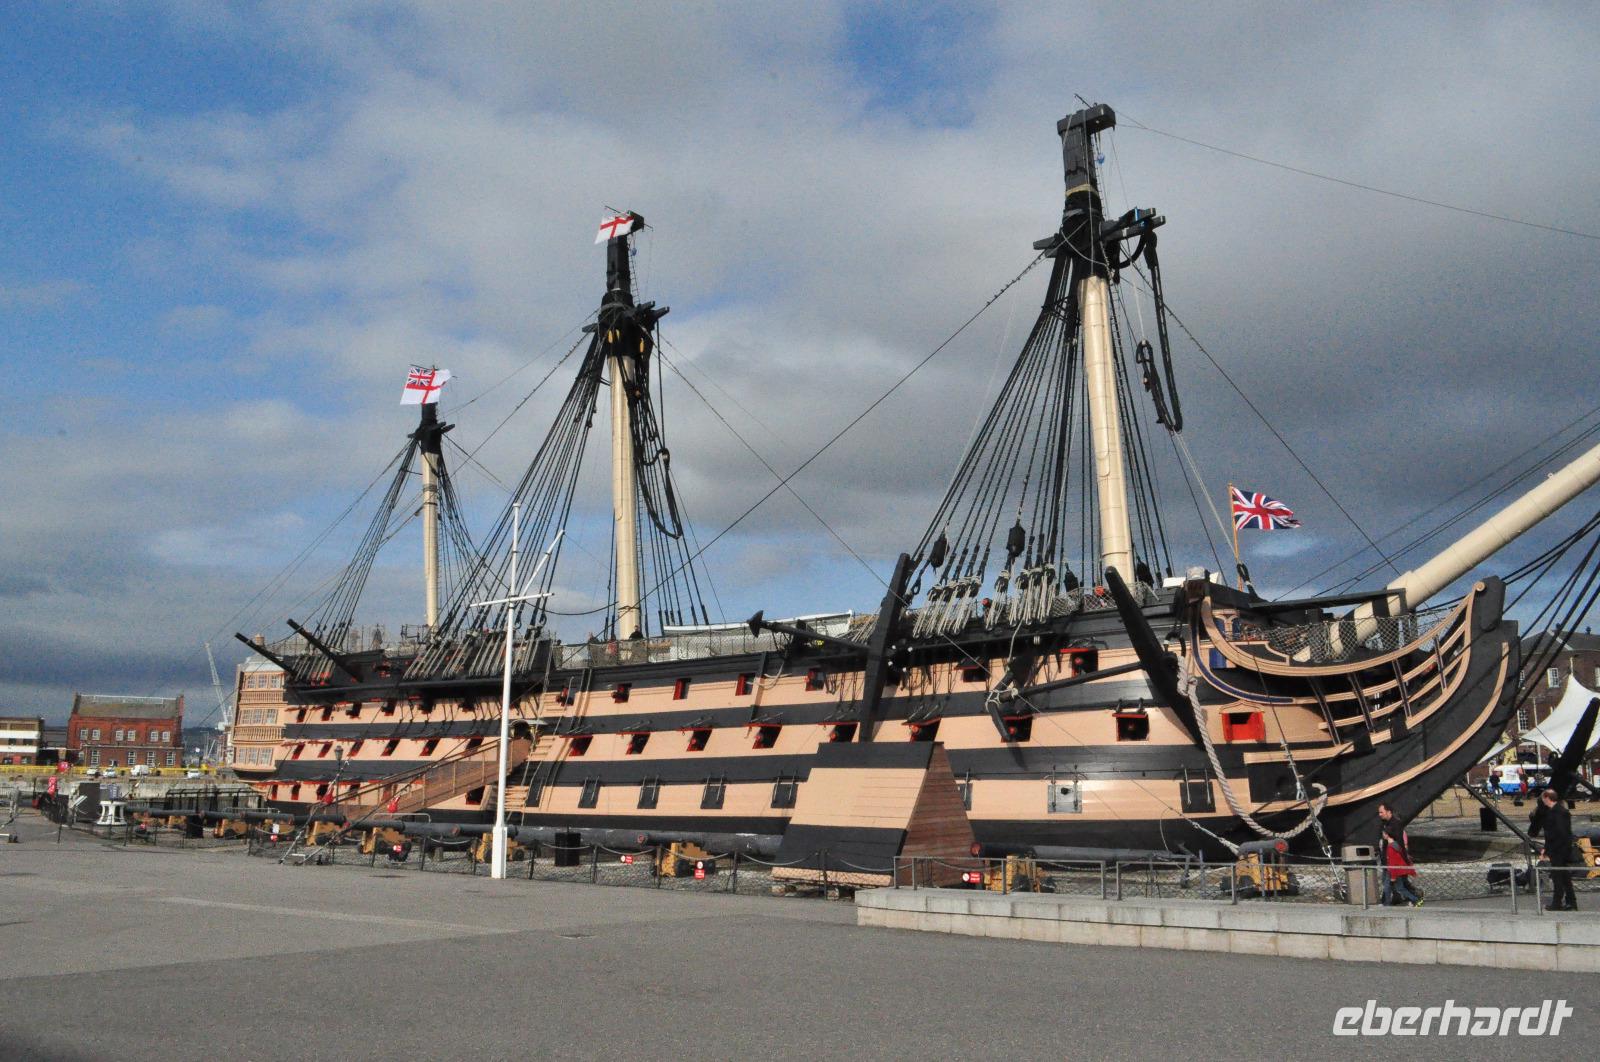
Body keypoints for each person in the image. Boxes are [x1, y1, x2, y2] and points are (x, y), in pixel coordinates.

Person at [1540, 786, 1578, 911]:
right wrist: (1546, 849)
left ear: (1547, 798)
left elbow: (1560, 833)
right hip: (1559, 849)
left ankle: (1557, 903)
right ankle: (1571, 902)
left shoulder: (1558, 812)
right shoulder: (1558, 811)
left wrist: (1551, 850)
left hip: (1559, 850)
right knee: (1564, 877)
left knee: (1558, 877)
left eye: (1543, 798)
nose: (1543, 801)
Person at [1382, 824, 1423, 906]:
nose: (1383, 835)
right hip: (1398, 870)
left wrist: (1393, 877)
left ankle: (1387, 904)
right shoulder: (1396, 845)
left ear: (1387, 835)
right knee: (1400, 888)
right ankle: (1415, 899)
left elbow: (1392, 863)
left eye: (1383, 834)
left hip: (1393, 871)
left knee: (1388, 887)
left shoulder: (1390, 847)